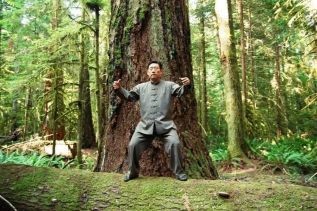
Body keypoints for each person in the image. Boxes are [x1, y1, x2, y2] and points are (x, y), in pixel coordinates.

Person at [113, 61, 190, 182]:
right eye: (151, 68)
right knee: (133, 145)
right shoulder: (140, 87)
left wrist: (186, 86)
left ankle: (179, 172)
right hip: (145, 126)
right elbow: (130, 97)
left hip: (166, 126)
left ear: (161, 72)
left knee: (175, 143)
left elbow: (180, 91)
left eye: (156, 68)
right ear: (147, 72)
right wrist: (119, 89)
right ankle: (133, 172)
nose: (153, 70)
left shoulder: (170, 85)